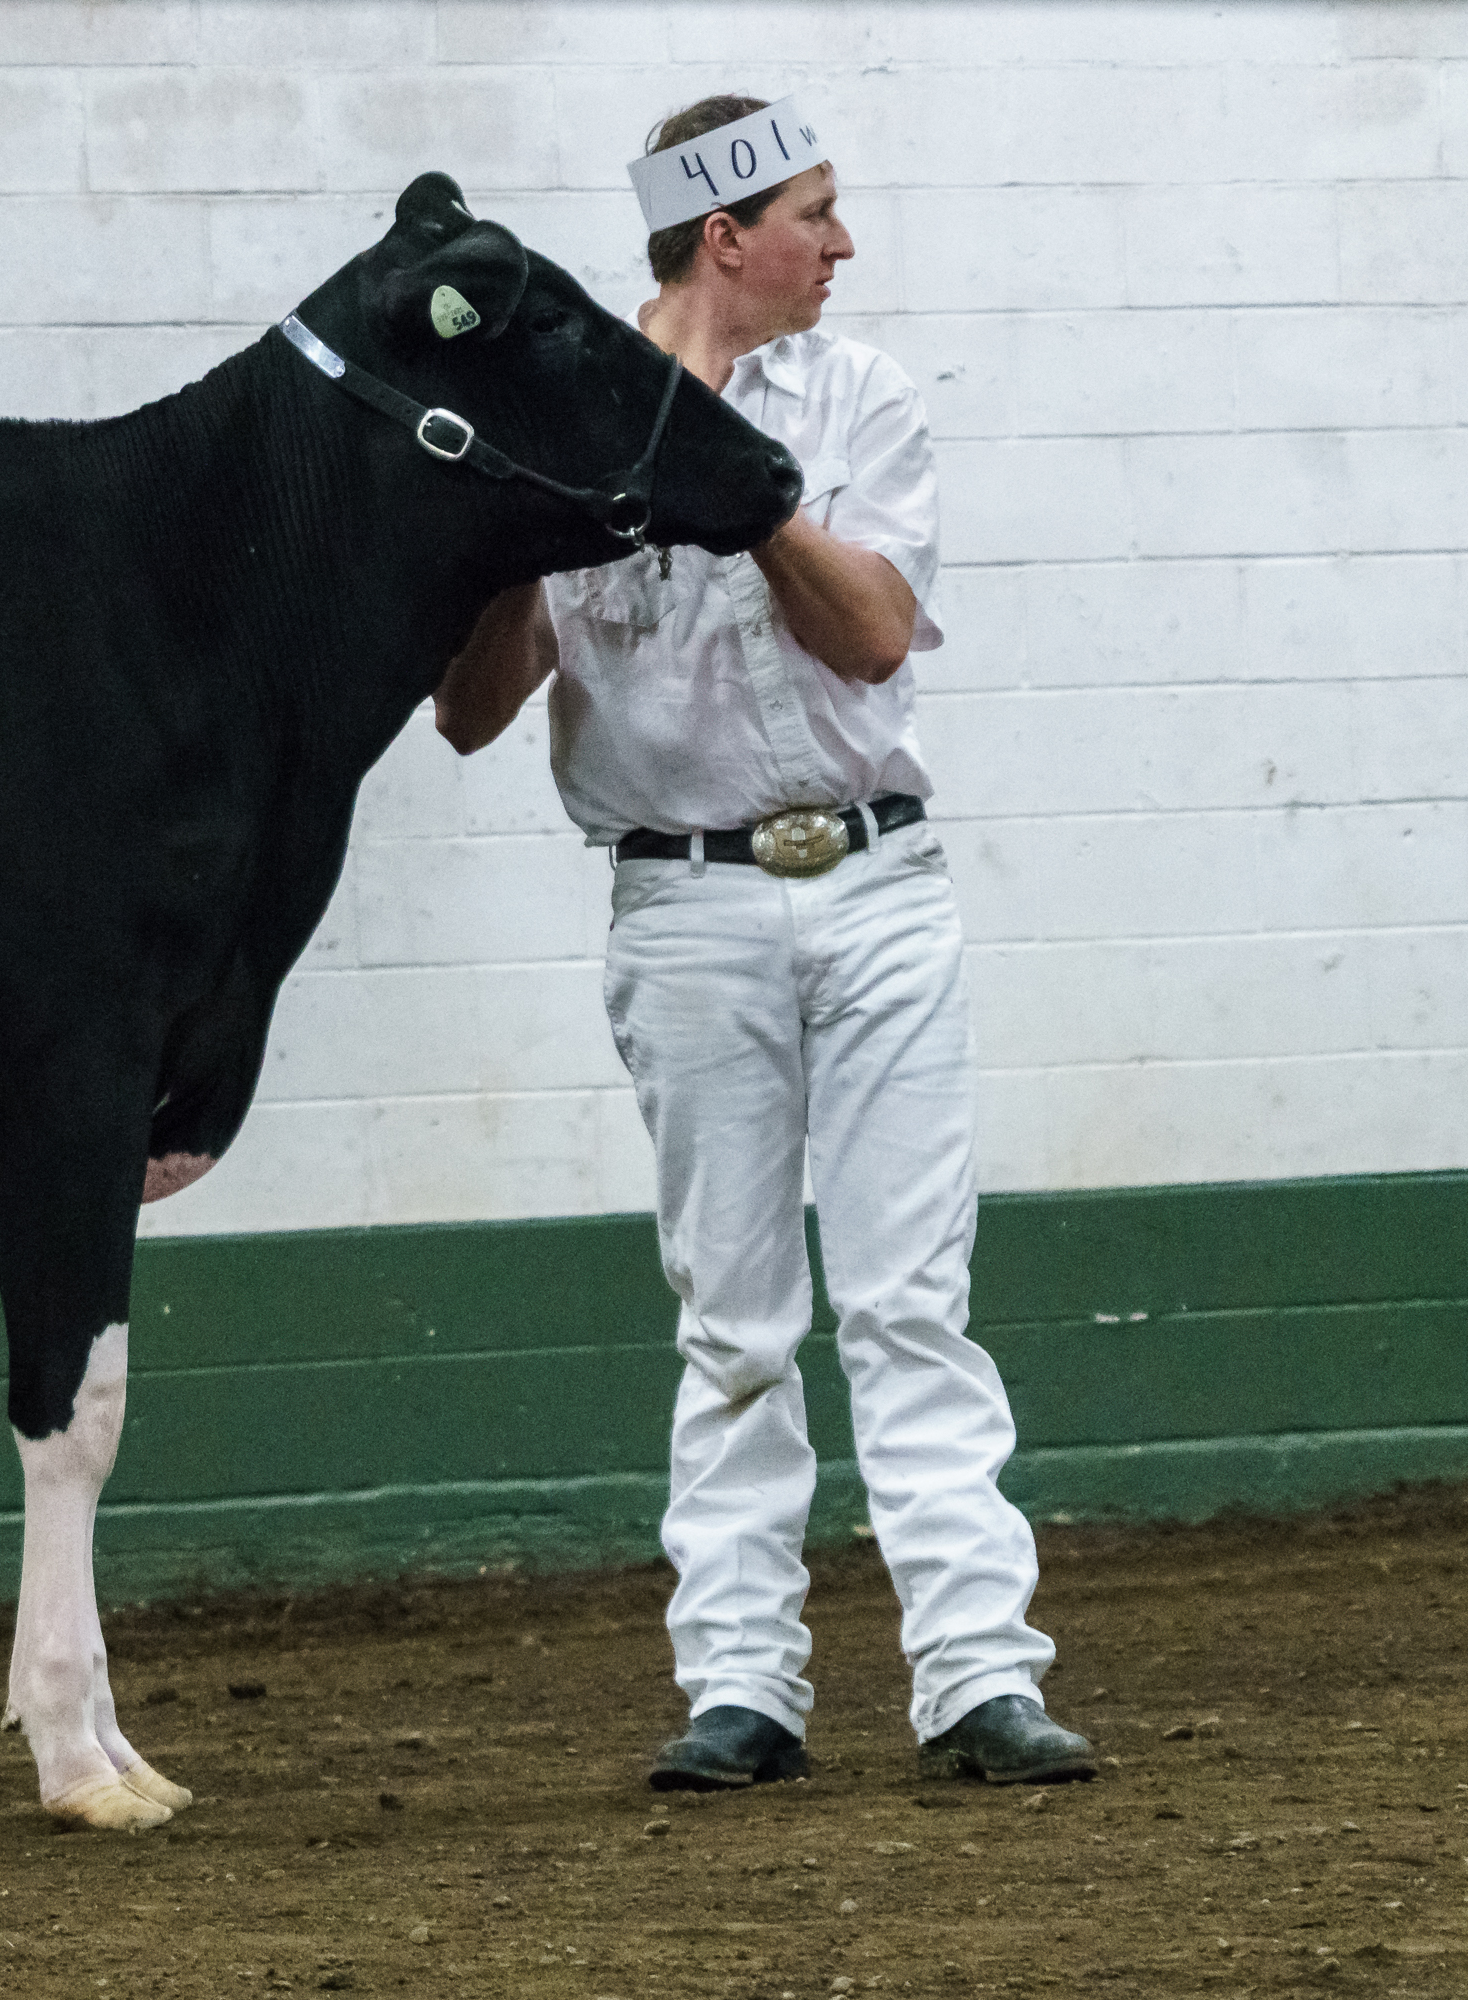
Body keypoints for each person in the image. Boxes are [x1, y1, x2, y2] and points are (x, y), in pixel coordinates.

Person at [434, 93, 1095, 1791]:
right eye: (813, 214)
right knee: (730, 1317)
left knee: (907, 1301)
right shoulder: (554, 422)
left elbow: (871, 634)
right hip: (682, 900)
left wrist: (740, 498)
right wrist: (515, 533)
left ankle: (976, 1678)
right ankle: (741, 1687)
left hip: (875, 885)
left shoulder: (857, 396)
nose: (840, 244)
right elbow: (468, 710)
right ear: (723, 237)